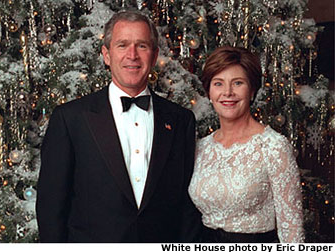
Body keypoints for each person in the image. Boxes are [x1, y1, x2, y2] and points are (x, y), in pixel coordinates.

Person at [36, 10, 202, 243]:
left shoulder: (180, 120)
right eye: (122, 45)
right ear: (106, 55)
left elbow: (187, 205)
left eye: (141, 46)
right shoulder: (70, 118)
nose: (132, 55)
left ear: (154, 56)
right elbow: (50, 207)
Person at [188, 46, 304, 243]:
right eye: (218, 83)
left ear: (252, 91)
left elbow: (291, 230)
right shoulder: (201, 147)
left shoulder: (273, 147)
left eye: (238, 83)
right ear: (209, 92)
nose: (227, 92)